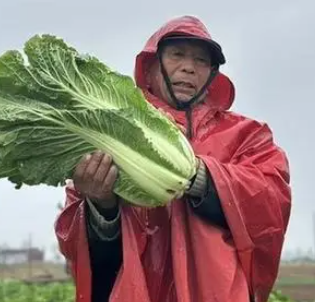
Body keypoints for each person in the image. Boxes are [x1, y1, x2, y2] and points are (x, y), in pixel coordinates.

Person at [55, 15, 292, 302]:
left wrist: (200, 177)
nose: (188, 68)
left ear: (213, 74)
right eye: (177, 55)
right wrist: (101, 207)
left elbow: (270, 200)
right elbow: (75, 244)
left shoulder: (248, 136)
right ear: (151, 66)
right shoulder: (111, 134)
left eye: (201, 61)